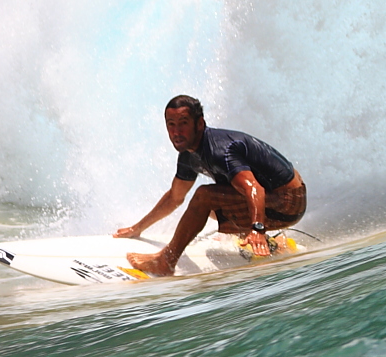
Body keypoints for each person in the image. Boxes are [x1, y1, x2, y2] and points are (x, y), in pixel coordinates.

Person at [113, 94, 306, 276]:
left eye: (183, 124)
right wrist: (138, 228)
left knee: (204, 196)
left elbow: (253, 188)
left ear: (200, 124)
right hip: (274, 200)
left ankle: (166, 261)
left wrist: (257, 229)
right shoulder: (188, 155)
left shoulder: (220, 150)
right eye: (171, 125)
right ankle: (274, 245)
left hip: (288, 202)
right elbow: (174, 197)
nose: (176, 132)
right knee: (212, 207)